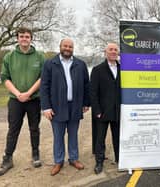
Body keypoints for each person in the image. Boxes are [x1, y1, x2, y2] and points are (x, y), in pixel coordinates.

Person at [0, 27, 45, 176]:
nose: (24, 39)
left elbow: (43, 78)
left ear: (31, 39)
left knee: (34, 128)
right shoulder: (9, 56)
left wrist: (29, 93)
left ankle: (35, 154)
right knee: (13, 130)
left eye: (27, 36)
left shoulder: (39, 56)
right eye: (22, 36)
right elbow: (5, 78)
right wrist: (18, 94)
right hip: (15, 100)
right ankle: (7, 159)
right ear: (17, 38)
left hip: (34, 99)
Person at [40, 38, 90, 176]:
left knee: (73, 134)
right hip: (57, 107)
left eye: (70, 46)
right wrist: (46, 107)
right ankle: (58, 161)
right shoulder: (50, 63)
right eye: (65, 46)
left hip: (75, 106)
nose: (68, 48)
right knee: (58, 136)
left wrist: (86, 102)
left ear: (73, 48)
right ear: (60, 46)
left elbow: (87, 85)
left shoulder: (80, 64)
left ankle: (73, 159)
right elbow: (44, 86)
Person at [90, 42, 121, 174]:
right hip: (102, 112)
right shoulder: (97, 70)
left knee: (118, 137)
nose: (113, 52)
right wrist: (96, 111)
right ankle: (99, 162)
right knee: (100, 138)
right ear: (106, 52)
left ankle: (120, 159)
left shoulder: (123, 69)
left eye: (115, 50)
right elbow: (93, 92)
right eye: (111, 50)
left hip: (118, 111)